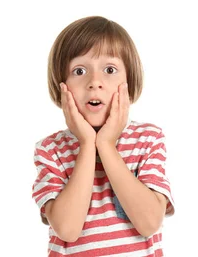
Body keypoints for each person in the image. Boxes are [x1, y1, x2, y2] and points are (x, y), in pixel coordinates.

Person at [31, 16, 175, 256]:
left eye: (109, 70)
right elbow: (67, 229)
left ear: (129, 81)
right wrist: (88, 144)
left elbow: (149, 222)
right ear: (61, 85)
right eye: (79, 70)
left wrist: (106, 145)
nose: (94, 82)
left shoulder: (148, 139)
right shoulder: (50, 150)